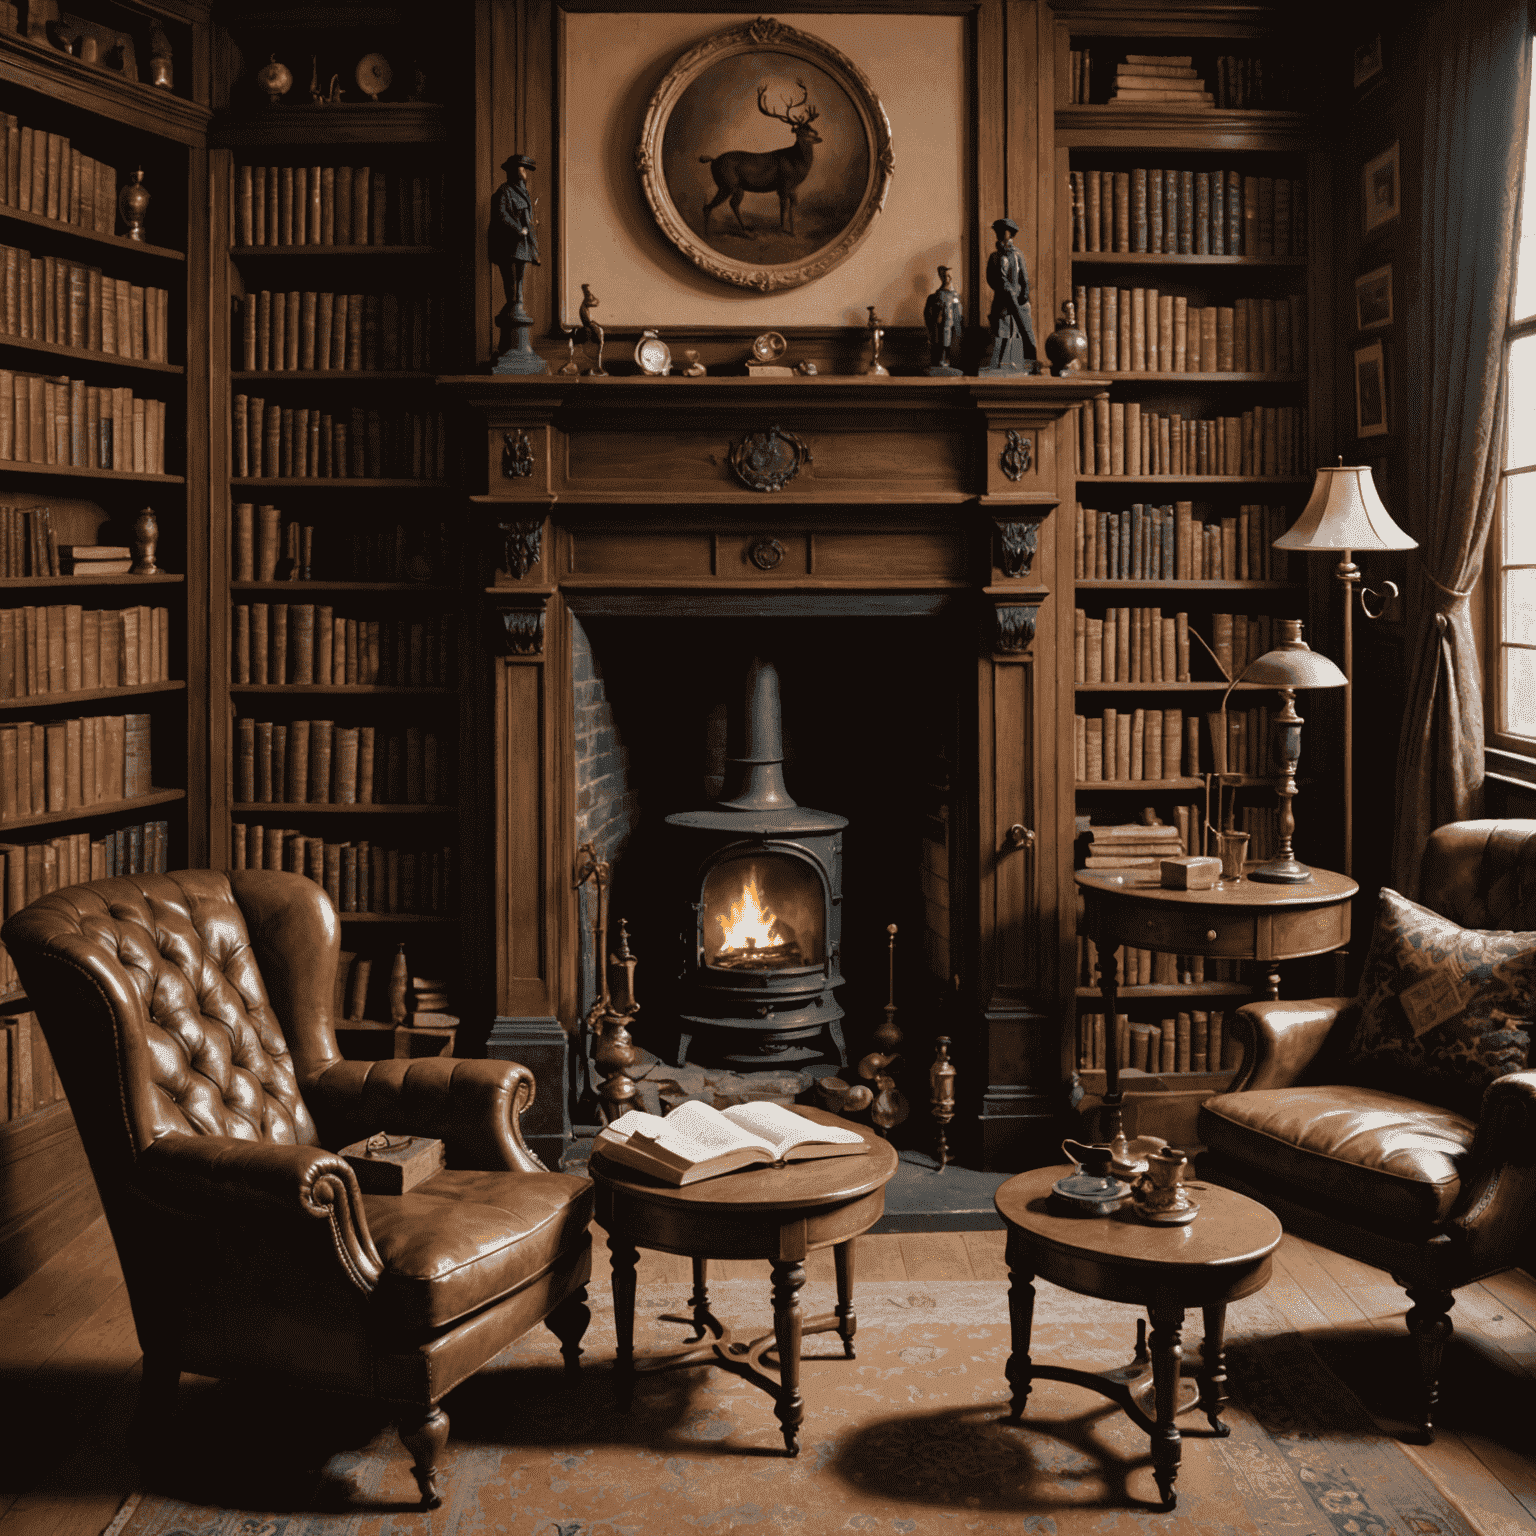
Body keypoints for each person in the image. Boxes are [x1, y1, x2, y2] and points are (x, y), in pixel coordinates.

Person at [981, 217, 1038, 374]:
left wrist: (1023, 294)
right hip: (1002, 298)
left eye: (1003, 232)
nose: (1000, 235)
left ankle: (1030, 362)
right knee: (1000, 329)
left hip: (1018, 299)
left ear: (1010, 234)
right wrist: (1002, 289)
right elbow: (990, 278)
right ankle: (999, 363)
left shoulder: (1017, 255)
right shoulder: (994, 256)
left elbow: (1024, 278)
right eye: (998, 232)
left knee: (1024, 330)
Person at [491, 153, 539, 333]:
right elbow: (501, 215)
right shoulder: (505, 191)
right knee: (511, 281)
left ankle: (517, 306)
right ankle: (513, 307)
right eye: (523, 168)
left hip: (523, 246)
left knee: (520, 281)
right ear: (515, 170)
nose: (525, 172)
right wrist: (519, 229)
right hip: (509, 246)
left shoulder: (524, 192)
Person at [923, 265, 963, 374]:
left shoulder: (956, 295)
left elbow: (958, 314)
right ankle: (940, 361)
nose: (947, 278)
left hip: (951, 326)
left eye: (949, 276)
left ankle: (947, 361)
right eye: (944, 276)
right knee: (940, 342)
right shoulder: (935, 296)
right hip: (940, 325)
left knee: (948, 342)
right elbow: (928, 314)